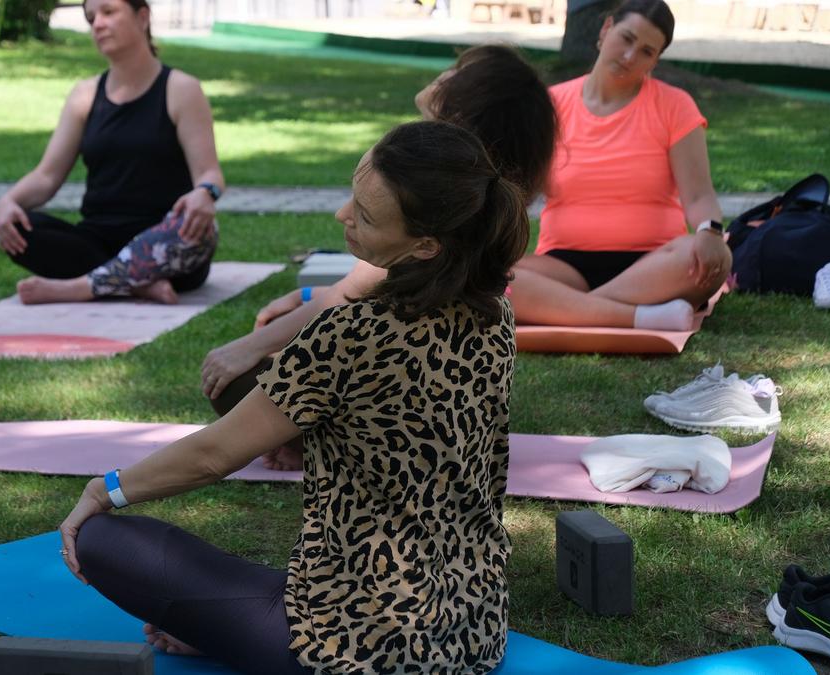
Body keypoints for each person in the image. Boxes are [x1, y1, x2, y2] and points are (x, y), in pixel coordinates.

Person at [59, 120, 529, 675]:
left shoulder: (351, 334)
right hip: (470, 625)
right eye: (353, 196)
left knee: (101, 541)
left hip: (361, 648)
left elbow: (214, 454)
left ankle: (231, 634)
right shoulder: (494, 314)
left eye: (365, 215)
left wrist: (105, 489)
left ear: (426, 245)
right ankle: (228, 628)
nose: (342, 215)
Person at [199, 45, 557, 469]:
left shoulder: (428, 189)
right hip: (439, 400)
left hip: (400, 405)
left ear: (465, 105)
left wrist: (246, 348)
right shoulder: (473, 192)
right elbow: (371, 285)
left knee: (235, 380)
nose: (445, 74)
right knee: (286, 337)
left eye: (458, 71)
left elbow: (352, 293)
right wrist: (308, 297)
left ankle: (315, 443)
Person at [509, 0, 730, 330]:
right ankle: (637, 315)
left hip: (655, 265)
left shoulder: (675, 105)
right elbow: (518, 188)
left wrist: (710, 232)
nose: (629, 56)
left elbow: (699, 196)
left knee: (713, 258)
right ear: (606, 29)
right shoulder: (549, 106)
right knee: (493, 277)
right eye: (626, 38)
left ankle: (567, 307)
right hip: (563, 266)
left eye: (646, 52)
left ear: (655, 61)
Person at [0, 0, 224, 306]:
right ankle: (135, 284)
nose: (98, 24)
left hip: (166, 240)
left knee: (198, 231)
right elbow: (46, 176)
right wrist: (8, 202)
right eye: (91, 18)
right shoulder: (84, 95)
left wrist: (205, 193)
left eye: (109, 12)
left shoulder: (182, 89)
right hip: (98, 239)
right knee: (20, 228)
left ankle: (82, 286)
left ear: (142, 17)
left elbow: (209, 173)